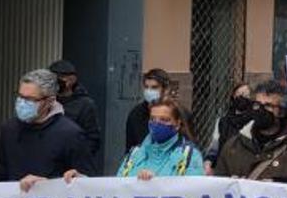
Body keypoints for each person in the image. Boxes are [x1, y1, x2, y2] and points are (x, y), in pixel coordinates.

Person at [0, 69, 94, 195]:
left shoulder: (70, 134)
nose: (22, 103)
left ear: (49, 101)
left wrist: (47, 186)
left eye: (30, 99)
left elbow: (87, 182)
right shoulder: (9, 129)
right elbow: (6, 170)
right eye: (20, 96)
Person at [215, 80, 287, 190]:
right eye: (257, 105)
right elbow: (217, 188)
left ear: (282, 112)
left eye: (268, 106)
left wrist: (279, 187)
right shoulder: (233, 146)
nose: (260, 110)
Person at [68, 99, 204, 181]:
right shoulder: (135, 153)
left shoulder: (189, 156)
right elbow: (115, 188)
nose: (157, 124)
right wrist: (81, 181)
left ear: (177, 123)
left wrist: (156, 185)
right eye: (153, 119)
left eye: (164, 120)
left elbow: (194, 195)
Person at [49, 60, 101, 159]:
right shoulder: (47, 100)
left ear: (71, 80)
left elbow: (93, 139)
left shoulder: (85, 104)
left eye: (58, 78)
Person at [126, 68, 173, 153]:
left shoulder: (178, 113)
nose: (149, 91)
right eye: (146, 87)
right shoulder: (136, 114)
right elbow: (130, 149)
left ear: (166, 90)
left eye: (154, 87)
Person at [209, 83, 254, 166]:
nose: (242, 98)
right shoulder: (222, 121)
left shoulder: (254, 122)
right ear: (233, 96)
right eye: (239, 94)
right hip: (223, 165)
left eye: (246, 95)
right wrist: (209, 161)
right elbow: (215, 146)